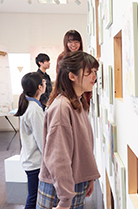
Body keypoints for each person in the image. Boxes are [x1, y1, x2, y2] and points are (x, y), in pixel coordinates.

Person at [37, 51, 100, 209]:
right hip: (59, 189)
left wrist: (89, 176)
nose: (94, 76)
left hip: (72, 184)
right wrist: (65, 198)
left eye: (95, 72)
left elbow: (83, 146)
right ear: (72, 76)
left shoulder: (78, 102)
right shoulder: (62, 107)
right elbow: (58, 158)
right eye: (88, 72)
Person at [14, 72, 46, 209]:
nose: (45, 84)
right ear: (40, 87)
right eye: (43, 83)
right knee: (34, 198)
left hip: (30, 160)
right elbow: (42, 140)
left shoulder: (29, 104)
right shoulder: (34, 109)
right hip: (35, 162)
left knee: (33, 196)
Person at [56, 30, 92, 105]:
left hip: (83, 93)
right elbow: (60, 79)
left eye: (76, 42)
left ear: (80, 43)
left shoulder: (83, 57)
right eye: (70, 42)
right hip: (68, 93)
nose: (73, 45)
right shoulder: (62, 58)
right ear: (66, 43)